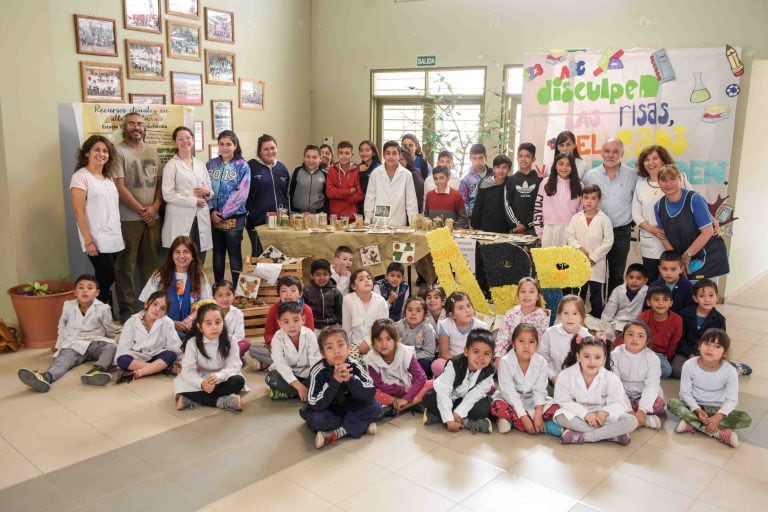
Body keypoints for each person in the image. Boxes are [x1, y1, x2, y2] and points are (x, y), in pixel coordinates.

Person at [18, 274, 116, 392]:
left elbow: (109, 328)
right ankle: (46, 377)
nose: (85, 291)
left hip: (95, 342)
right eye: (80, 288)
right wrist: (59, 344)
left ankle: (97, 371)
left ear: (97, 293)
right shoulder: (68, 306)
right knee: (64, 359)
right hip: (74, 343)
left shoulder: (103, 308)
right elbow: (62, 325)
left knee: (111, 347)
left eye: (90, 288)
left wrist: (109, 342)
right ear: (75, 292)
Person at [113, 112, 163, 322]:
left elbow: (160, 185)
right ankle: (126, 307)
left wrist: (154, 207)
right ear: (125, 127)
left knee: (152, 264)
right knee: (126, 265)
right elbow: (119, 186)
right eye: (132, 124)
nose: (136, 127)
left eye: (140, 124)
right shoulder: (117, 151)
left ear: (145, 128)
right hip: (128, 219)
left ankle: (152, 304)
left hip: (153, 218)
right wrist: (141, 211)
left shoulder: (152, 151)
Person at [667, 329, 751, 448]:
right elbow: (685, 393)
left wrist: (718, 416)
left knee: (745, 418)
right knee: (672, 403)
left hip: (717, 409)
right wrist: (697, 409)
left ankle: (692, 424)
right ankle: (718, 433)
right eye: (706, 344)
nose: (710, 349)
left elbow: (732, 400)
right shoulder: (689, 365)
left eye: (717, 346)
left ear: (725, 353)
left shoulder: (730, 371)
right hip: (695, 407)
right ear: (699, 346)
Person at [302, 326, 380, 448]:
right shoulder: (318, 371)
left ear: (348, 347)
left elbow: (370, 391)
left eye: (340, 345)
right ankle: (359, 425)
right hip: (329, 410)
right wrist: (334, 381)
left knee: (375, 407)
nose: (336, 351)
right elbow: (314, 402)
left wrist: (350, 379)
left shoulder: (355, 365)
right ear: (322, 353)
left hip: (350, 407)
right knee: (317, 419)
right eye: (329, 347)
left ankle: (337, 433)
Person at [70, 135, 125, 306]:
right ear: (87, 153)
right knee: (107, 276)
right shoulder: (81, 177)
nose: (102, 154)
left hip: (113, 236)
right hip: (95, 237)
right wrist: (88, 241)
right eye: (97, 150)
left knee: (106, 278)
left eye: (105, 151)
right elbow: (78, 211)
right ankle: (94, 313)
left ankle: (102, 314)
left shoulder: (108, 178)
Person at [553, 335, 638, 444]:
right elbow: (562, 400)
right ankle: (611, 435)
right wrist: (585, 414)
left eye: (597, 357)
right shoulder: (565, 375)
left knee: (632, 421)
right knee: (561, 417)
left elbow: (619, 403)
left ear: (604, 359)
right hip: (578, 415)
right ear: (578, 357)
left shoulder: (611, 378)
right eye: (587, 356)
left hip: (602, 416)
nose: (592, 361)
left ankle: (585, 437)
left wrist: (604, 412)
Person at [583, 138, 638, 296]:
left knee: (617, 274)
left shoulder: (633, 176)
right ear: (601, 153)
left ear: (622, 154)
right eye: (607, 151)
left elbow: (638, 202)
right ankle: (596, 307)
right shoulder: (590, 176)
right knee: (593, 272)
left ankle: (612, 308)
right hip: (595, 232)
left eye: (615, 151)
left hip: (620, 232)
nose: (611, 155)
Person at [655, 164, 729, 280]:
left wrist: (687, 255)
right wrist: (677, 262)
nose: (668, 184)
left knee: (702, 295)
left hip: (706, 255)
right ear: (658, 183)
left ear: (680, 179)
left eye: (672, 179)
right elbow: (664, 238)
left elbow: (707, 231)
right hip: (684, 258)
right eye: (663, 180)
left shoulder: (694, 199)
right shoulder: (658, 206)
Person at [491, 324, 562, 436]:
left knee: (557, 408)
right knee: (498, 406)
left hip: (532, 400)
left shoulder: (541, 363)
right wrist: (524, 417)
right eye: (521, 341)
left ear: (537, 346)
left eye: (531, 342)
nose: (526, 346)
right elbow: (510, 393)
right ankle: (543, 426)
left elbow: (539, 390)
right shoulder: (505, 362)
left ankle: (515, 421)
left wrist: (538, 414)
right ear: (513, 344)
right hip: (510, 401)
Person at [422, 328, 495, 433]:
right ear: (466, 351)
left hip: (466, 401)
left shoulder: (489, 370)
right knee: (429, 398)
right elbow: (443, 391)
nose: (481, 358)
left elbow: (477, 393)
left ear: (492, 356)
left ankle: (437, 416)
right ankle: (466, 422)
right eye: (476, 352)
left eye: (487, 354)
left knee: (485, 406)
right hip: (450, 397)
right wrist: (449, 420)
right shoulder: (455, 364)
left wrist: (459, 413)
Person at [174, 303, 245, 411]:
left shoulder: (230, 340)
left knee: (238, 380)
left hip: (221, 378)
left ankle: (193, 399)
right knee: (179, 382)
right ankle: (223, 401)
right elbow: (188, 370)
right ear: (199, 326)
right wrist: (201, 383)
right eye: (208, 323)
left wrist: (220, 376)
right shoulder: (192, 343)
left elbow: (234, 365)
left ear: (223, 322)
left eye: (218, 322)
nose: (214, 327)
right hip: (200, 376)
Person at [673, 279, 750, 377]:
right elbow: (679, 339)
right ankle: (701, 371)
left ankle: (732, 366)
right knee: (677, 370)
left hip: (708, 352)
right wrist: (690, 354)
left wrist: (707, 355)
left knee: (714, 370)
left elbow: (721, 342)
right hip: (686, 352)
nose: (707, 299)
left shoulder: (719, 319)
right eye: (702, 296)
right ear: (695, 298)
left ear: (717, 297)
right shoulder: (684, 314)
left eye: (711, 295)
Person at [138, 236, 212, 336]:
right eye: (177, 252)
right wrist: (170, 323)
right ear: (172, 255)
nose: (181, 256)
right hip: (162, 325)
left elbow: (206, 304)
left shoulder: (200, 276)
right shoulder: (160, 274)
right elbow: (147, 303)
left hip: (192, 326)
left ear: (193, 255)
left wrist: (189, 319)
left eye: (186, 252)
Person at [162, 126, 212, 261]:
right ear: (175, 142)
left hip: (200, 215)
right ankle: (183, 283)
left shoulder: (200, 164)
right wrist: (194, 201)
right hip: (180, 216)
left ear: (193, 140)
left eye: (188, 138)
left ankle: (198, 282)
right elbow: (167, 194)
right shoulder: (172, 165)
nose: (185, 141)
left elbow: (209, 189)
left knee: (199, 255)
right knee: (182, 255)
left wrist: (208, 192)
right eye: (180, 139)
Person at [206, 130, 250, 283]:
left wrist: (223, 214)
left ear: (235, 146)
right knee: (217, 254)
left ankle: (237, 289)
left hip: (234, 219)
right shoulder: (211, 164)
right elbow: (206, 188)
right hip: (213, 217)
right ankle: (218, 286)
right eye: (221, 144)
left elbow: (242, 193)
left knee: (234, 254)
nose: (224, 147)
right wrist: (211, 211)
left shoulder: (242, 166)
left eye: (228, 144)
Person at [566, 184, 614, 318]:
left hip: (596, 264)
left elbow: (608, 241)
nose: (589, 201)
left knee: (596, 294)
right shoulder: (576, 218)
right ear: (581, 199)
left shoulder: (604, 219)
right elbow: (570, 236)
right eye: (586, 198)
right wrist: (579, 248)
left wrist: (593, 257)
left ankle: (597, 317)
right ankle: (577, 316)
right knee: (578, 292)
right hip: (579, 262)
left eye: (593, 198)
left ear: (599, 201)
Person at [247, 276, 315, 370]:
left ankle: (271, 365)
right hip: (280, 346)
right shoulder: (274, 309)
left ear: (300, 294)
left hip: (300, 349)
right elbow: (269, 332)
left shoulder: (306, 310)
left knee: (314, 352)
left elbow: (309, 334)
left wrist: (295, 348)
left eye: (293, 290)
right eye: (283, 291)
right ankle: (292, 365)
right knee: (253, 348)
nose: (288, 294)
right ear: (278, 293)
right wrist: (272, 344)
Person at [365, 319, 431, 417]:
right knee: (371, 392)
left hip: (409, 389)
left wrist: (406, 398)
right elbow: (378, 384)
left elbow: (421, 377)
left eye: (388, 339)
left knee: (433, 383)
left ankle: (402, 406)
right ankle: (404, 404)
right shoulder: (371, 358)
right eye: (379, 339)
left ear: (395, 339)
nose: (384, 344)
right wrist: (402, 390)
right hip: (389, 392)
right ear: (373, 342)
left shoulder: (404, 352)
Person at [115, 291, 182, 384]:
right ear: (146, 304)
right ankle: (159, 369)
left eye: (162, 308)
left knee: (171, 355)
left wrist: (180, 360)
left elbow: (174, 344)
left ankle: (138, 373)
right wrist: (157, 366)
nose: (157, 309)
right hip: (138, 356)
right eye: (155, 304)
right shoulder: (131, 322)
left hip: (157, 354)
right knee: (122, 360)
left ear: (166, 313)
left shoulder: (167, 322)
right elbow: (124, 347)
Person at [632, 145, 676, 282]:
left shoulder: (678, 179)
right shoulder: (641, 184)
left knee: (673, 281)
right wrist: (653, 230)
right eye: (646, 159)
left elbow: (693, 201)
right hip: (650, 242)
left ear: (664, 160)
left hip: (675, 241)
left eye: (655, 158)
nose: (650, 163)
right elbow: (636, 214)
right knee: (653, 282)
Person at [611, 320, 665, 429]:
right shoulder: (614, 355)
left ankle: (634, 418)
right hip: (621, 393)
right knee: (605, 400)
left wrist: (642, 410)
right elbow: (615, 385)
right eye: (630, 334)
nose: (635, 339)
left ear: (647, 340)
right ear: (623, 337)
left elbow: (652, 385)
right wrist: (628, 409)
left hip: (642, 393)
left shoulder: (652, 358)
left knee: (659, 403)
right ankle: (646, 421)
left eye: (640, 336)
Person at [266, 301, 322, 400]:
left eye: (296, 320)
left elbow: (315, 361)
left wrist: (315, 381)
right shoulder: (277, 337)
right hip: (286, 375)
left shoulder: (309, 334)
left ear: (303, 319)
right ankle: (304, 391)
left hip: (306, 374)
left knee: (325, 375)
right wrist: (299, 387)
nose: (292, 326)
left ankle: (288, 393)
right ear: (279, 323)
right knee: (272, 378)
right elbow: (280, 364)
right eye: (286, 322)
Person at [246, 134, 290, 257]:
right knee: (259, 255)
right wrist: (249, 214)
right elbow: (243, 194)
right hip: (258, 222)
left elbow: (286, 193)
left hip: (280, 223)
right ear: (259, 151)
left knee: (278, 256)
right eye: (266, 149)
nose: (270, 152)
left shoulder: (282, 168)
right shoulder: (250, 167)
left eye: (272, 148)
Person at [494, 277, 550, 367]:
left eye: (531, 292)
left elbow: (540, 343)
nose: (526, 295)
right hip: (509, 356)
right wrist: (499, 357)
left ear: (538, 296)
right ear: (518, 295)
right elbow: (502, 338)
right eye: (523, 291)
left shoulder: (542, 317)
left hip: (531, 359)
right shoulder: (511, 314)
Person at [432, 291, 489, 378]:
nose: (467, 310)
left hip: (474, 361)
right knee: (437, 365)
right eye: (460, 308)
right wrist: (461, 363)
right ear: (452, 315)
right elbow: (444, 353)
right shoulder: (445, 325)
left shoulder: (481, 326)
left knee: (487, 368)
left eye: (468, 306)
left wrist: (471, 362)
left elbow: (484, 351)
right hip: (453, 360)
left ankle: (469, 379)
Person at [533, 152, 582, 247]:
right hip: (548, 230)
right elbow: (538, 208)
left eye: (568, 165)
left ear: (573, 167)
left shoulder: (579, 185)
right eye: (561, 163)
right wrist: (540, 232)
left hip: (570, 232)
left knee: (566, 261)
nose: (564, 168)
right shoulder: (545, 183)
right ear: (555, 165)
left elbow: (581, 213)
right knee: (548, 261)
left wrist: (577, 234)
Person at [364, 141, 418, 227]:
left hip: (398, 223)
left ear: (399, 155)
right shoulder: (376, 173)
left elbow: (411, 202)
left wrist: (414, 223)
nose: (391, 157)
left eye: (394, 153)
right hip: (378, 223)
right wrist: (367, 220)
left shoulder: (406, 174)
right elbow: (370, 199)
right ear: (384, 155)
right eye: (388, 153)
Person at [539, 295, 590, 383]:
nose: (570, 317)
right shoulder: (550, 333)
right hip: (552, 380)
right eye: (566, 313)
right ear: (559, 315)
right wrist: (553, 376)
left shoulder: (587, 338)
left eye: (575, 313)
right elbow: (543, 358)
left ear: (582, 317)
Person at [342, 269, 390, 360]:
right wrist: (347, 345)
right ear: (353, 286)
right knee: (349, 358)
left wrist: (368, 341)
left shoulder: (381, 301)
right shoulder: (348, 300)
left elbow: (383, 326)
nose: (366, 280)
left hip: (377, 341)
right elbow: (346, 326)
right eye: (361, 279)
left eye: (368, 278)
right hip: (355, 343)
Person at [637, 286, 683, 379]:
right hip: (643, 351)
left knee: (667, 371)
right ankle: (641, 372)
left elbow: (673, 343)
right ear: (648, 302)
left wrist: (668, 358)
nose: (661, 303)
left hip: (661, 355)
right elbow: (637, 338)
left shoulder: (677, 320)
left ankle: (641, 373)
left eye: (665, 300)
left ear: (671, 303)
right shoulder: (643, 317)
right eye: (656, 299)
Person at [471, 155, 514, 233]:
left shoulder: (511, 184)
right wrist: (475, 226)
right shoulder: (484, 183)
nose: (501, 170)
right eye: (497, 167)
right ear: (493, 169)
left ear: (509, 169)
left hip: (506, 230)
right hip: (485, 229)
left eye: (504, 167)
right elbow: (478, 207)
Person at [505, 142, 542, 234]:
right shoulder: (510, 180)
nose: (523, 159)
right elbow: (507, 206)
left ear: (533, 159)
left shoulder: (540, 181)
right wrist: (517, 225)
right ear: (517, 158)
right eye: (520, 156)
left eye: (527, 156)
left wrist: (526, 225)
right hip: (514, 229)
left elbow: (542, 207)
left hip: (534, 229)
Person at [395, 297, 437, 377]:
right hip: (401, 358)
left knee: (425, 363)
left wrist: (411, 358)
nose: (413, 313)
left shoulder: (427, 328)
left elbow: (429, 352)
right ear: (405, 313)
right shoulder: (399, 326)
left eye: (418, 310)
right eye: (410, 310)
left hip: (419, 358)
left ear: (425, 314)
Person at [601, 263, 649, 334]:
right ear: (626, 278)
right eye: (631, 277)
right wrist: (605, 328)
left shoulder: (648, 292)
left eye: (638, 278)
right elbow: (608, 313)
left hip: (637, 326)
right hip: (617, 324)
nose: (634, 281)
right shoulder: (618, 290)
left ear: (645, 280)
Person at [212, 280, 249, 361]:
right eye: (220, 295)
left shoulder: (238, 313)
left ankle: (225, 359)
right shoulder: (209, 313)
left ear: (234, 295)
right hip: (213, 345)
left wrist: (227, 344)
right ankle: (232, 359)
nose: (224, 299)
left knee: (246, 343)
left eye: (228, 295)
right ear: (214, 297)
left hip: (231, 345)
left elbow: (240, 335)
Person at [326, 141, 363, 219]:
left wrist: (338, 195)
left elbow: (360, 194)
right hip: (334, 217)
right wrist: (349, 191)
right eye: (341, 153)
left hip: (352, 217)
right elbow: (329, 193)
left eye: (347, 153)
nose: (343, 156)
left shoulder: (358, 170)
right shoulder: (331, 170)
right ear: (337, 154)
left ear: (351, 154)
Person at [304, 259, 343, 330]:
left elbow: (339, 312)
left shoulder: (335, 292)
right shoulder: (306, 291)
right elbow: (303, 311)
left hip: (332, 326)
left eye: (325, 274)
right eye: (318, 274)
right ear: (312, 276)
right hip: (313, 326)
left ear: (330, 275)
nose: (321, 278)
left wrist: (340, 325)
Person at [289, 144, 327, 214]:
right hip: (297, 214)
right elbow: (289, 192)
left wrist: (324, 212)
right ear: (304, 158)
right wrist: (290, 211)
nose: (311, 160)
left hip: (318, 215)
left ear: (320, 159)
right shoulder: (297, 171)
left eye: (314, 157)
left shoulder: (324, 174)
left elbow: (327, 196)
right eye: (308, 157)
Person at [459, 143, 491, 219]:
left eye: (480, 158)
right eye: (474, 158)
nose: (478, 161)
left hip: (491, 217)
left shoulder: (492, 175)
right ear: (470, 158)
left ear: (485, 158)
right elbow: (464, 203)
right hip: (473, 218)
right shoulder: (466, 180)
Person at [357, 140, 381, 212]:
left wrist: (363, 173)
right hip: (361, 204)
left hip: (374, 206)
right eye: (361, 150)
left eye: (367, 150)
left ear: (373, 153)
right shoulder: (359, 167)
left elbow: (367, 189)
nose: (364, 153)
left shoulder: (379, 169)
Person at [399, 146, 425, 213]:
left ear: (407, 161)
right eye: (396, 160)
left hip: (409, 214)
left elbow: (418, 200)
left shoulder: (414, 175)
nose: (398, 163)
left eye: (401, 160)